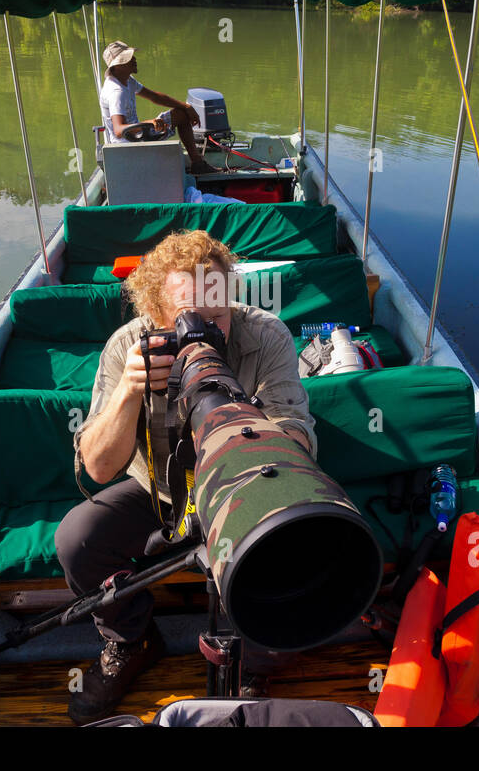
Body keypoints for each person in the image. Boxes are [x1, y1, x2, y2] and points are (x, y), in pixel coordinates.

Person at [55, 230, 316, 725]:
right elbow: (99, 467)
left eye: (217, 313)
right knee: (78, 539)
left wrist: (235, 412)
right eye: (187, 317)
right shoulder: (127, 346)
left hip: (246, 482)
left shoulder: (264, 336)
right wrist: (129, 393)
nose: (206, 329)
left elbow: (297, 437)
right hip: (159, 491)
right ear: (153, 314)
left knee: (281, 539)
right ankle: (130, 641)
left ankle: (256, 661)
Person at [100, 40, 222, 175]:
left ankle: (197, 164)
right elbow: (118, 130)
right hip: (127, 145)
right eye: (128, 58)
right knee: (179, 116)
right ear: (117, 66)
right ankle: (197, 163)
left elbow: (155, 97)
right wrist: (148, 124)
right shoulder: (116, 91)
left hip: (138, 134)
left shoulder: (127, 80)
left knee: (181, 114)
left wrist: (186, 106)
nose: (134, 59)